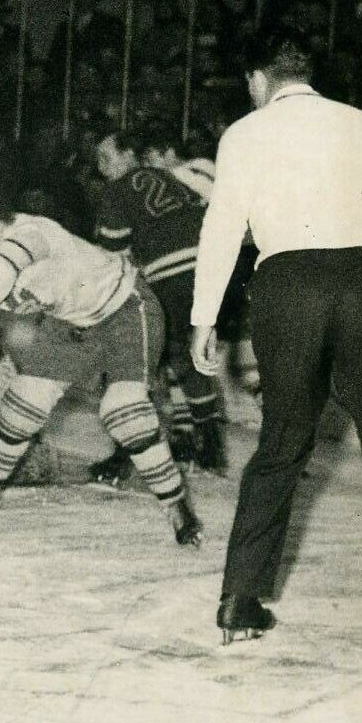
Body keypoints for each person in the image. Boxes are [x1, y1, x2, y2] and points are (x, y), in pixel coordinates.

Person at [189, 29, 362, 654]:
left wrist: (204, 319)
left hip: (288, 282)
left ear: (258, 80)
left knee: (282, 444)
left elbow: (224, 225)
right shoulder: (361, 123)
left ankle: (239, 602)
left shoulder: (244, 134)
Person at [0, 177, 204, 547]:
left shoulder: (31, 233)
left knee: (124, 410)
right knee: (25, 400)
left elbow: (3, 268)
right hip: (72, 325)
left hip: (124, 309)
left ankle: (177, 507)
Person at [91, 128, 228, 476]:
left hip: (170, 274)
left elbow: (112, 254)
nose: (102, 167)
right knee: (182, 353)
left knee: (135, 358)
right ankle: (208, 442)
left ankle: (126, 452)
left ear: (128, 156)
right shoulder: (169, 177)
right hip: (209, 268)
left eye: (107, 158)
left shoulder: (117, 190)